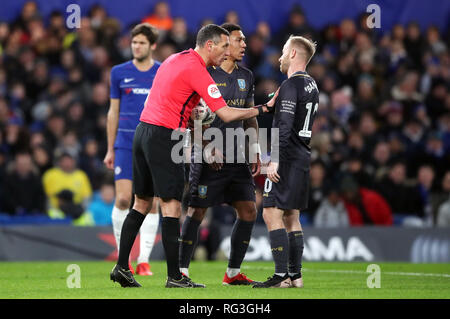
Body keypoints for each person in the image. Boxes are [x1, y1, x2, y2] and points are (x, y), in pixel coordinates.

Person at [109, 24, 277, 288]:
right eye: (223, 46)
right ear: (209, 45)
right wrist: (263, 109)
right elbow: (227, 114)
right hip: (165, 137)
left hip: (143, 133)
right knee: (172, 206)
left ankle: (121, 267)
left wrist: (201, 138)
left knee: (141, 203)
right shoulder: (199, 71)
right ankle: (175, 276)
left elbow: (171, 102)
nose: (225, 52)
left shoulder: (174, 59)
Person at [178, 23, 260, 285]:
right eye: (239, 40)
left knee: (248, 210)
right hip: (208, 157)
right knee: (197, 211)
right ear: (225, 45)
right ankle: (181, 271)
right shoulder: (204, 73)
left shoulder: (246, 76)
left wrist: (255, 149)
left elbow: (249, 118)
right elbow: (192, 118)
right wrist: (206, 146)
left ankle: (232, 273)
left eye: (244, 40)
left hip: (237, 158)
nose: (244, 44)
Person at [253, 35, 318, 289]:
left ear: (292, 54)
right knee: (292, 216)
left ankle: (281, 275)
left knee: (270, 212)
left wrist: (274, 161)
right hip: (302, 155)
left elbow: (284, 126)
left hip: (287, 156)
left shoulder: (291, 85)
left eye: (282, 52)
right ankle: (295, 276)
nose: (279, 57)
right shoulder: (312, 84)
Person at [104, 23, 161, 276]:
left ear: (152, 46)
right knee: (124, 199)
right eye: (134, 42)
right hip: (125, 144)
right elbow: (113, 111)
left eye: (141, 43)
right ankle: (123, 259)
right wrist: (109, 148)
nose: (136, 46)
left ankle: (144, 260)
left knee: (153, 203)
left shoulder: (161, 72)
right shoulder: (118, 72)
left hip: (153, 143)